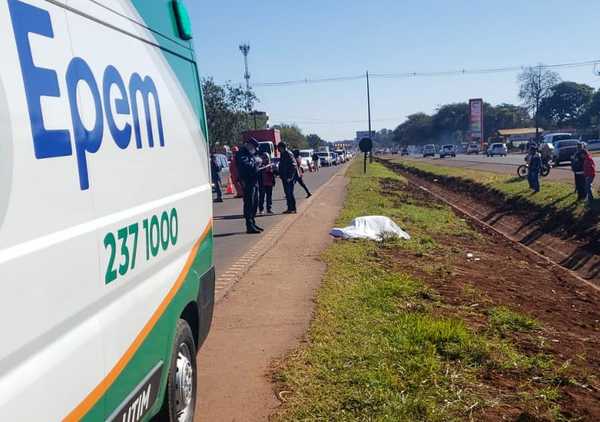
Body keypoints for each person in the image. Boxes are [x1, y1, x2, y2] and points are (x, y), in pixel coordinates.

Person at [236, 138, 263, 234]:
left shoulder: (249, 154)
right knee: (249, 204)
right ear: (250, 145)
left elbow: (253, 164)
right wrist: (256, 163)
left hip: (253, 181)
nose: (255, 150)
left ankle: (253, 223)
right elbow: (246, 165)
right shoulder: (242, 153)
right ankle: (249, 226)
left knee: (255, 203)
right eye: (254, 147)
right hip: (247, 181)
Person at [277, 142, 298, 214]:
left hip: (289, 178)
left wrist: (290, 177)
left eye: (279, 147)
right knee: (288, 193)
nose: (278, 149)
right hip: (285, 177)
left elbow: (294, 166)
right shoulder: (283, 154)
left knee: (290, 193)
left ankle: (293, 208)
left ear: (282, 147)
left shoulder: (288, 153)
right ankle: (290, 208)